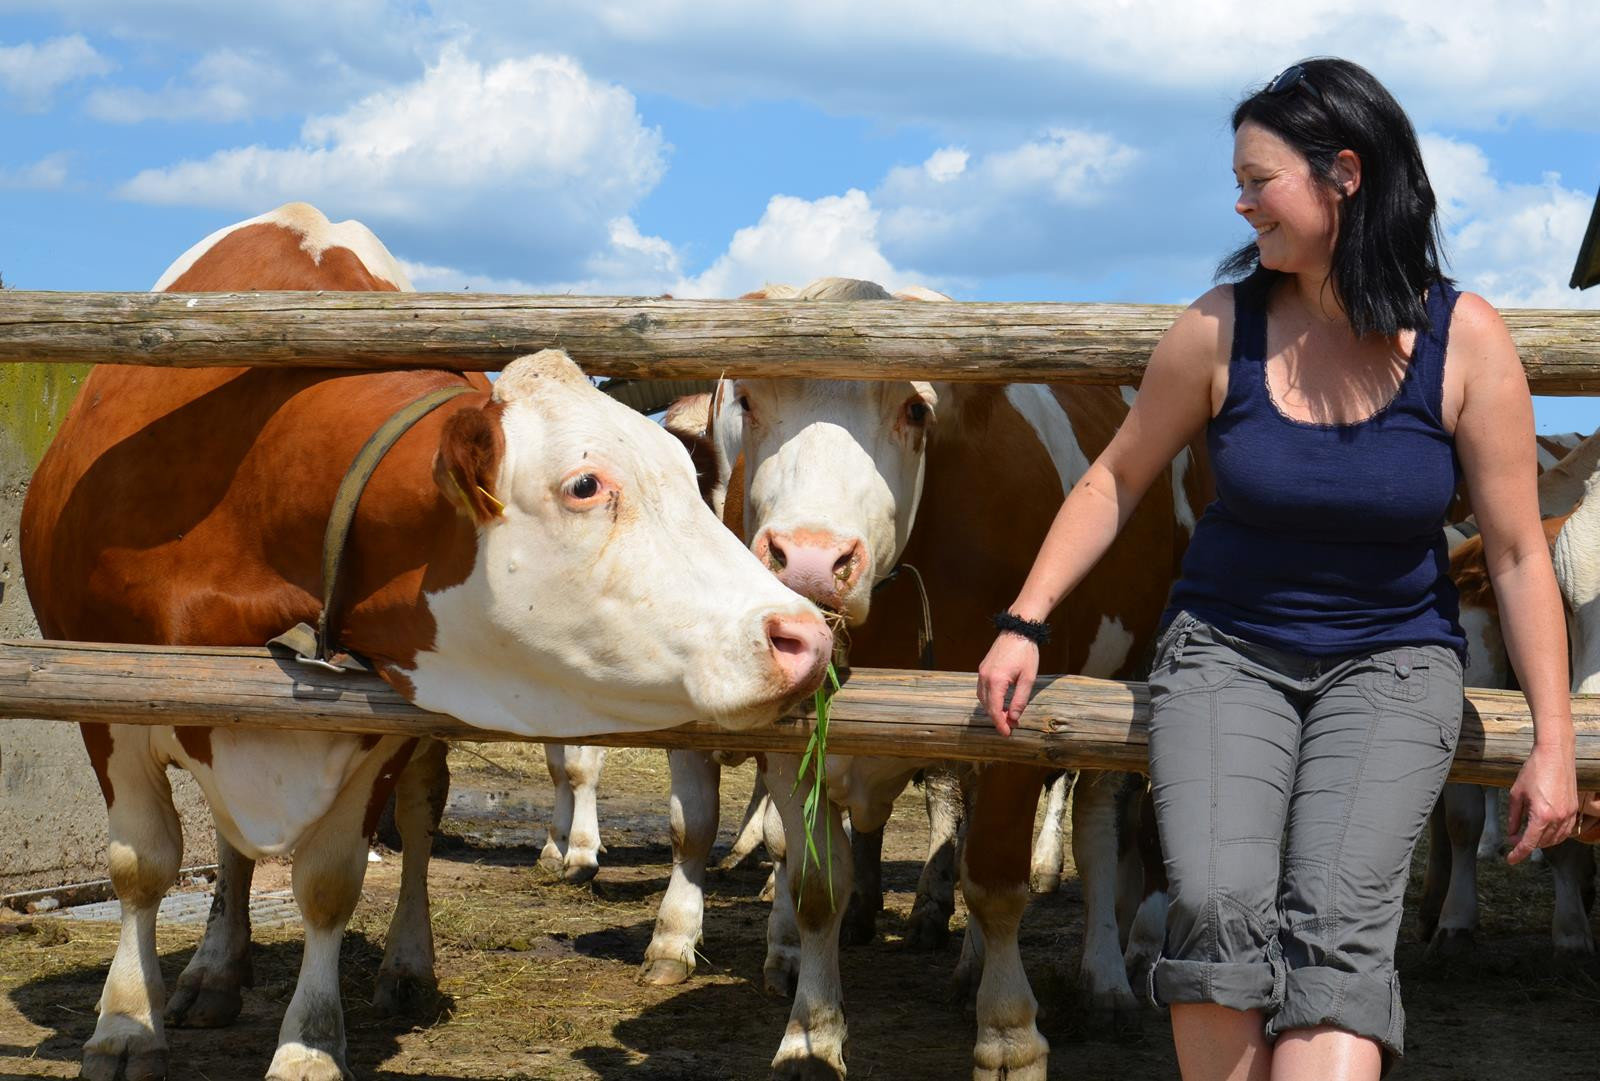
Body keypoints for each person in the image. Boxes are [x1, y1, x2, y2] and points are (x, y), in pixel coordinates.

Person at [976, 57, 1577, 1081]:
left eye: (1260, 179)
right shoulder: (1221, 327)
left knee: (1337, 925)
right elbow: (1113, 481)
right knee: (1213, 909)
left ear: (1343, 174)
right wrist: (1024, 618)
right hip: (1225, 655)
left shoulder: (1464, 340)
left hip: (1393, 664)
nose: (1240, 200)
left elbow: (1519, 553)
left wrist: (1554, 741)